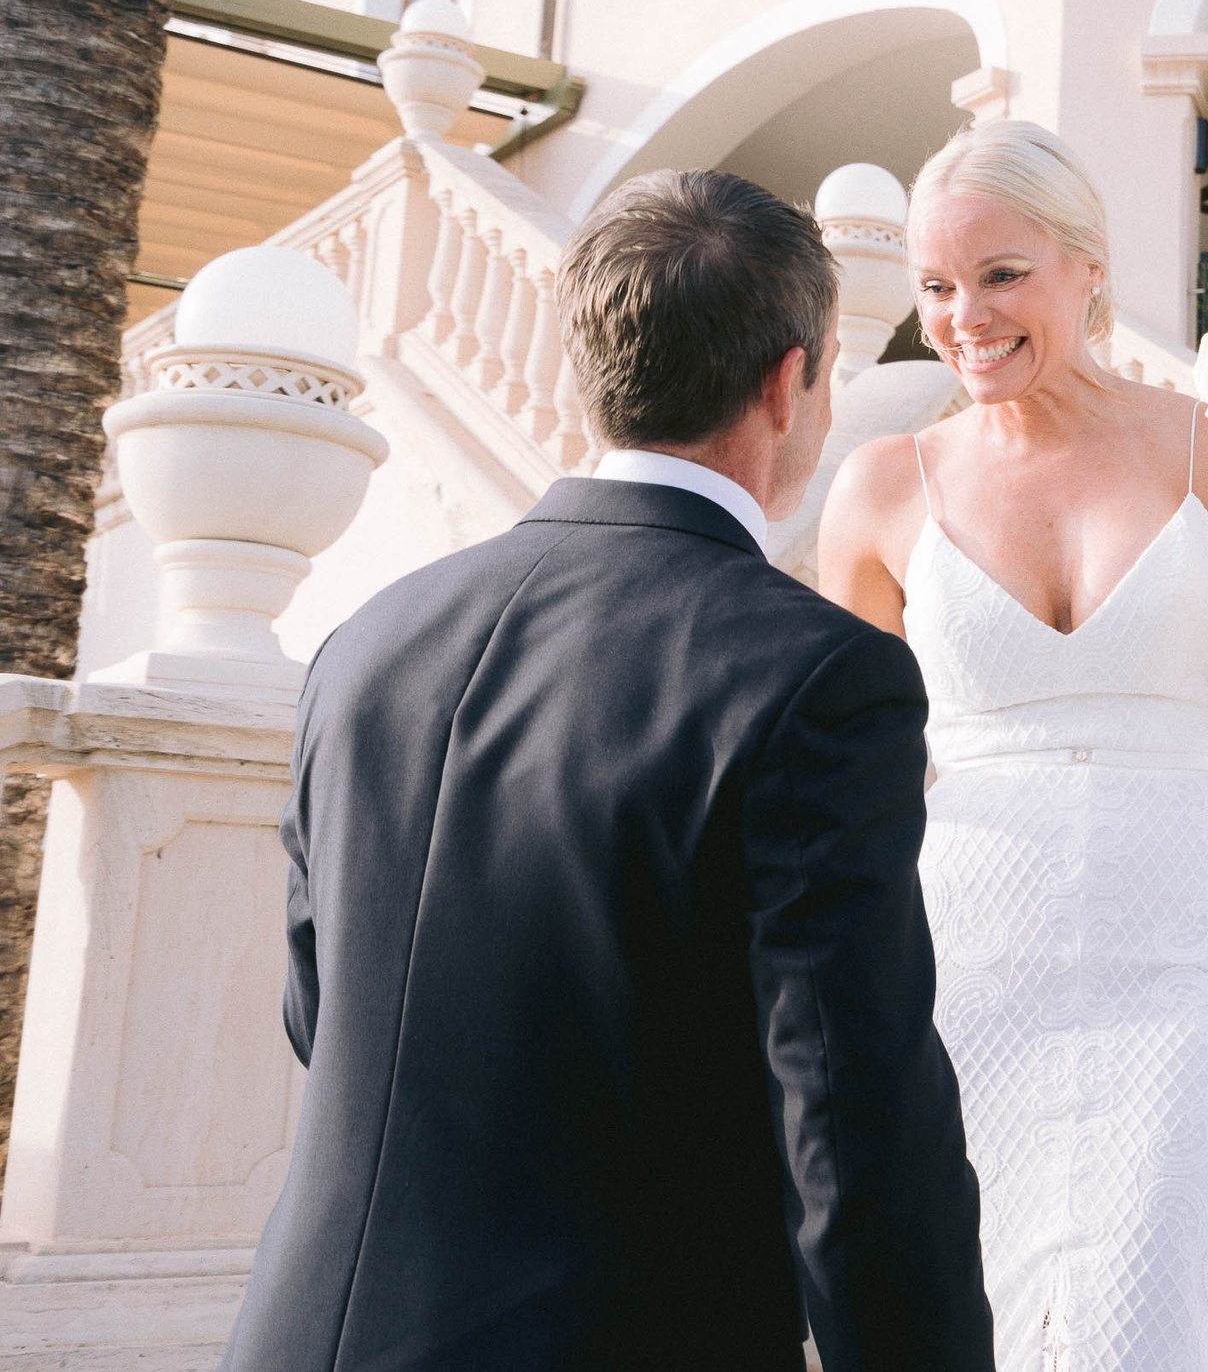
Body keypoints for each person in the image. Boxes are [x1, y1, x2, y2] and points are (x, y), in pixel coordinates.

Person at [224, 171, 995, 1372]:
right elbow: (849, 1123)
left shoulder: (364, 642)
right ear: (790, 380)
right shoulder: (816, 677)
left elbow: (321, 1013)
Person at [816, 120, 1208, 1372]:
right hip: (966, 967)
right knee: (969, 1330)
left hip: (1192, 967)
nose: (963, 318)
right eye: (935, 286)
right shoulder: (881, 488)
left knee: (1150, 1325)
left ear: (1089, 265)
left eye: (1001, 274)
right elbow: (846, 786)